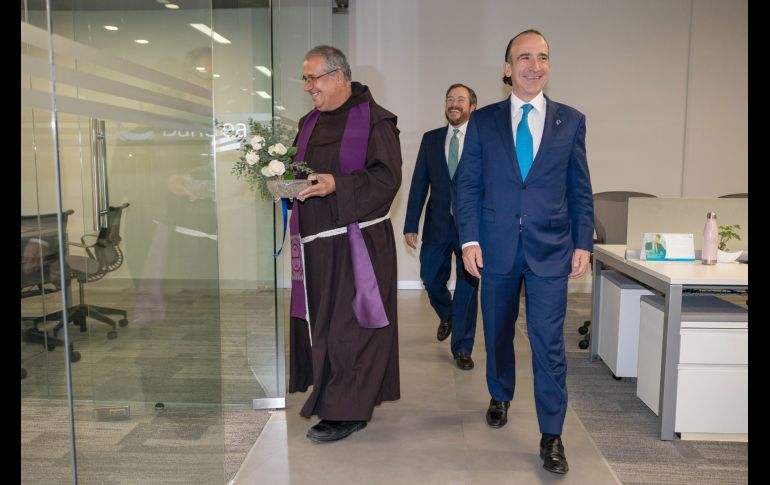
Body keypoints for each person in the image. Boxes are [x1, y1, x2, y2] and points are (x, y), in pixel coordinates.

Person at [454, 29, 594, 475]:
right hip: (494, 248)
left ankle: (552, 434)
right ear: (507, 68)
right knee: (496, 330)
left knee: (548, 342)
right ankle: (500, 390)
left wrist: (582, 242)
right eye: (525, 57)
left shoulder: (570, 120)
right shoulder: (484, 121)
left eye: (543, 57)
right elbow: (468, 185)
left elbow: (580, 190)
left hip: (550, 249)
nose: (535, 65)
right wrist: (470, 239)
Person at [288, 45, 402, 443]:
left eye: (312, 78)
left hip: (359, 244)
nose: (307, 87)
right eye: (304, 79)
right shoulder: (308, 123)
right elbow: (302, 174)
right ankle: (334, 393)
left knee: (350, 328)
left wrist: (338, 183)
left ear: (339, 76)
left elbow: (387, 179)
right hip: (317, 244)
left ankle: (347, 410)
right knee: (326, 325)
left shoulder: (375, 121)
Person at [403, 83, 480, 370]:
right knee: (430, 276)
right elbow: (419, 182)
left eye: (460, 99)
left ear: (472, 106)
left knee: (468, 288)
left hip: (472, 228)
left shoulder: (483, 139)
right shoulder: (431, 139)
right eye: (450, 99)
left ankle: (462, 347)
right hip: (437, 224)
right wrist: (411, 223)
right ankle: (448, 314)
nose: (454, 104)